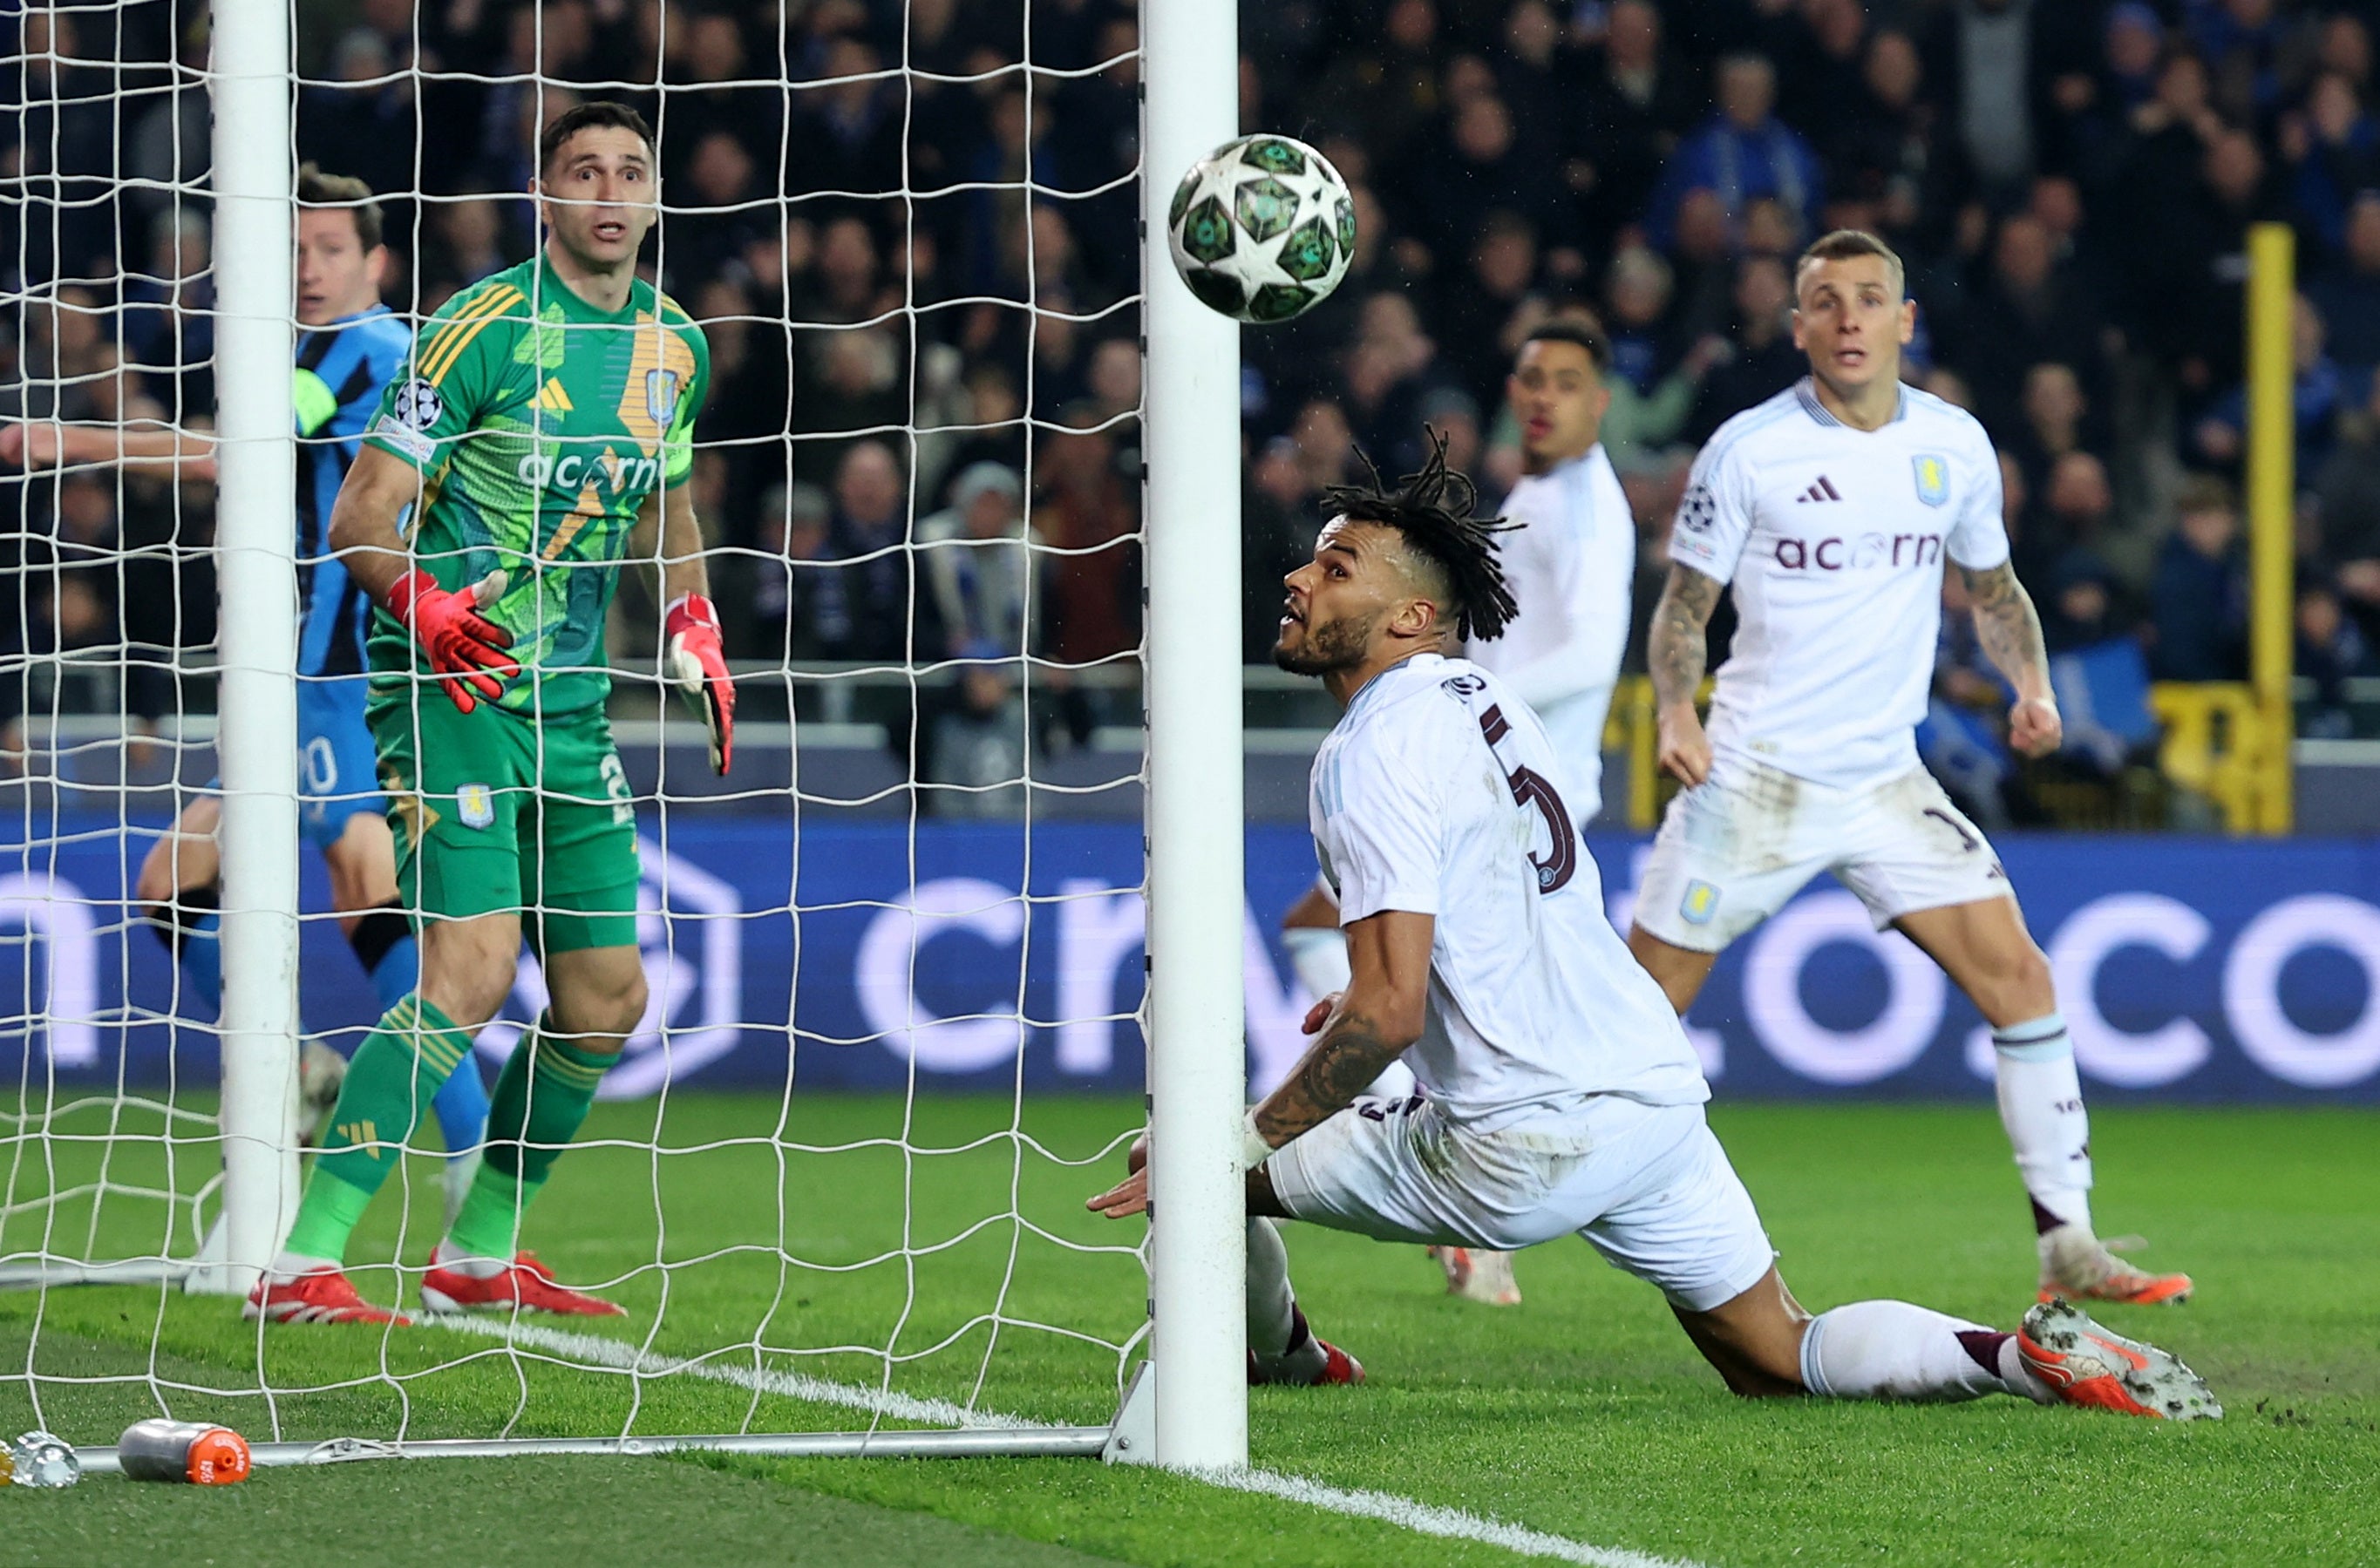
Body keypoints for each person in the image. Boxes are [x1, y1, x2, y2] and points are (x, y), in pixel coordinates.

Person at [1086, 439, 2216, 1422]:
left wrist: (1246, 1135)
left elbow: (1391, 1007)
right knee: (1779, 1351)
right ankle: (2011, 1354)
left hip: (1510, 1141)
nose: (1297, 577)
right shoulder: (1490, 706)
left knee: (1185, 1162)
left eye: (1334, 568)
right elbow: (1492, 904)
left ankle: (1285, 1357)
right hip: (1646, 1092)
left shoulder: (1368, 747)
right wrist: (1390, 989)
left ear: (1409, 615)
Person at [1630, 229, 2193, 1307]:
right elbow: (1684, 610)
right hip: (1753, 778)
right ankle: (1493, 1205)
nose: (1849, 319)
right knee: (1638, 1010)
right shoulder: (1749, 450)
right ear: (1798, 327)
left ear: (1906, 321)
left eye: (1870, 298)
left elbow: (1995, 590)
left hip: (1887, 780)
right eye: (1826, 301)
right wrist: (1672, 708)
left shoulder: (1957, 445)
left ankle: (2067, 1240)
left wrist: (2033, 687)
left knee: (2021, 976)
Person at [247, 102, 732, 1326]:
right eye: (585, 171)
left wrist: (691, 622)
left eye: (632, 171)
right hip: (448, 680)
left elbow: (668, 507)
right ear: (546, 195)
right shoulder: (479, 327)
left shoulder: (676, 346)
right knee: (469, 965)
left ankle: (478, 1249)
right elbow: (364, 513)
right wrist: (420, 602)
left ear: (656, 197)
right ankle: (303, 1257)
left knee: (607, 993)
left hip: (570, 703)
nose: (611, 191)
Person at [0, 166, 492, 1219]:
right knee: (178, 882)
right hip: (301, 681)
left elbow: (242, 455)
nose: (308, 269)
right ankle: (310, 1070)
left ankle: (473, 1164)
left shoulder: (369, 349)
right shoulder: (327, 351)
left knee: (366, 892)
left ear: (377, 263)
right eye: (293, 249)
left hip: (343, 677)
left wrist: (65, 440)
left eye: (328, 249)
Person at [1278, 321, 1639, 1309]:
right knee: (1400, 966)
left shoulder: (1592, 511)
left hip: (1493, 783)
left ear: (1600, 401)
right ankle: (1446, 1132)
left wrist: (1465, 688)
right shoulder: (1536, 495)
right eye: (1528, 378)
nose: (1542, 398)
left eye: (1567, 382)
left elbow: (1592, 656)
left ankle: (1444, 1152)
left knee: (1408, 976)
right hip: (1486, 771)